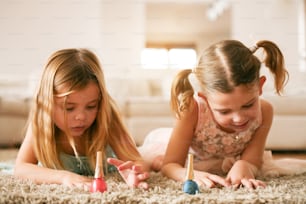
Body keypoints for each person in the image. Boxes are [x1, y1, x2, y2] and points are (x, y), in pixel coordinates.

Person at [138, 39, 306, 189]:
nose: (239, 118)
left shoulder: (266, 111)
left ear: (260, 86)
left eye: (248, 105)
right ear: (205, 99)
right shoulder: (193, 109)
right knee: (156, 162)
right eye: (224, 111)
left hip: (230, 158)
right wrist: (188, 174)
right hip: (191, 156)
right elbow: (171, 164)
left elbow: (254, 159)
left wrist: (245, 165)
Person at [14, 48, 150, 190]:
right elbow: (21, 168)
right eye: (69, 108)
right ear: (47, 103)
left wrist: (136, 171)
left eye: (91, 106)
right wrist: (63, 177)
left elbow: (137, 160)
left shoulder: (107, 118)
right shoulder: (41, 122)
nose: (81, 117)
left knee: (151, 156)